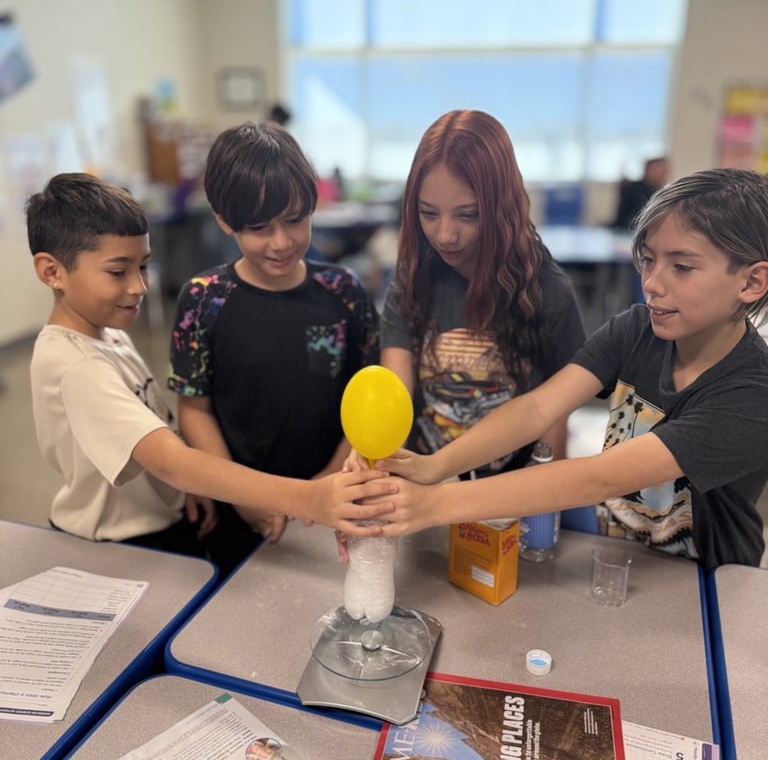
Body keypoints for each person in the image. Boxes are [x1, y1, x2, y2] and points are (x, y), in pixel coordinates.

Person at [365, 168, 768, 570]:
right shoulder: (635, 329)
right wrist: (435, 467)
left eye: (682, 267)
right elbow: (539, 408)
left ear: (751, 282)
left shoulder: (751, 397)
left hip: (705, 578)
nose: (652, 283)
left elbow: (601, 477)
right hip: (621, 550)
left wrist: (433, 504)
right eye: (648, 259)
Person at [26, 173, 394, 559]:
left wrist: (189, 489)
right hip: (112, 547)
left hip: (165, 520)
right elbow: (170, 461)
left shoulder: (106, 335)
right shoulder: (77, 364)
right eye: (118, 272)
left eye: (144, 267)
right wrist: (309, 498)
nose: (139, 287)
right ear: (52, 271)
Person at [168, 121, 379, 574]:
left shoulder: (344, 292)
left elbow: (370, 400)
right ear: (224, 219)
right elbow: (194, 409)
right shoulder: (203, 299)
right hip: (240, 508)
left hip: (337, 500)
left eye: (295, 221)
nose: (281, 242)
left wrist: (330, 483)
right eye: (260, 227)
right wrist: (248, 497)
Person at [379, 109, 586, 474]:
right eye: (428, 213)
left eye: (467, 215)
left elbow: (551, 441)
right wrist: (377, 456)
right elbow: (393, 401)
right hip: (429, 489)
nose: (445, 235)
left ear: (501, 208)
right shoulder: (411, 281)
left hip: (510, 500)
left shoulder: (548, 292)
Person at [613, 156, 669, 231]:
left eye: (665, 170)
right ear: (648, 170)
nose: (664, 174)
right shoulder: (634, 189)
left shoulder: (662, 193)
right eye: (660, 170)